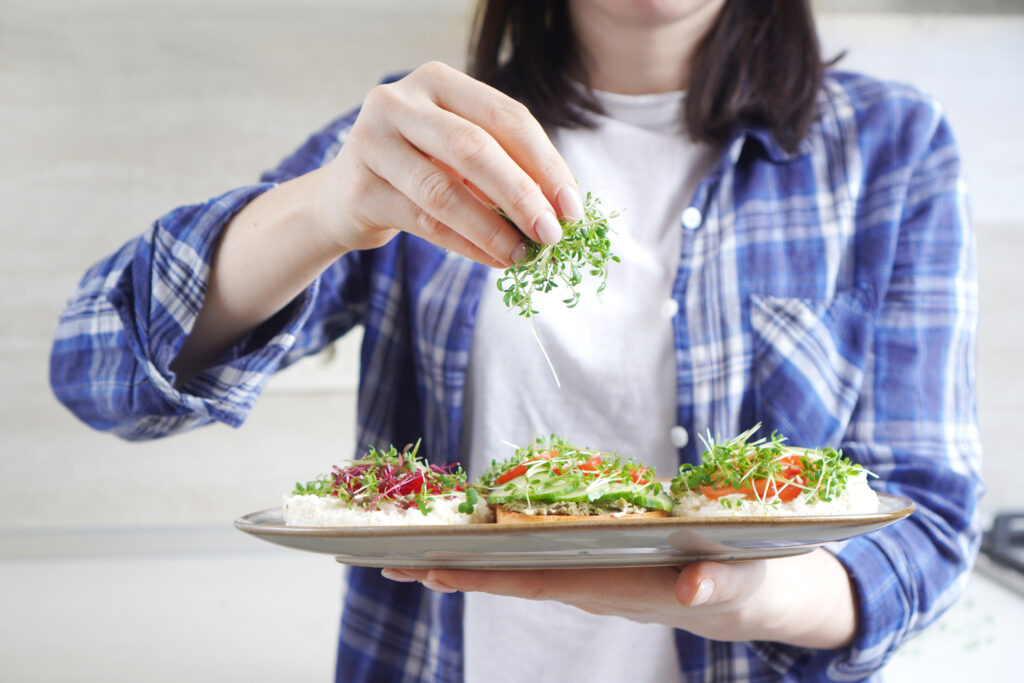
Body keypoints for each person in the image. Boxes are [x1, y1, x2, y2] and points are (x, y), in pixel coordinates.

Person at [50, 0, 982, 680]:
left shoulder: (891, 148)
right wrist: (322, 208)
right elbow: (98, 370)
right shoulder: (425, 136)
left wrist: (752, 598)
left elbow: (931, 528)